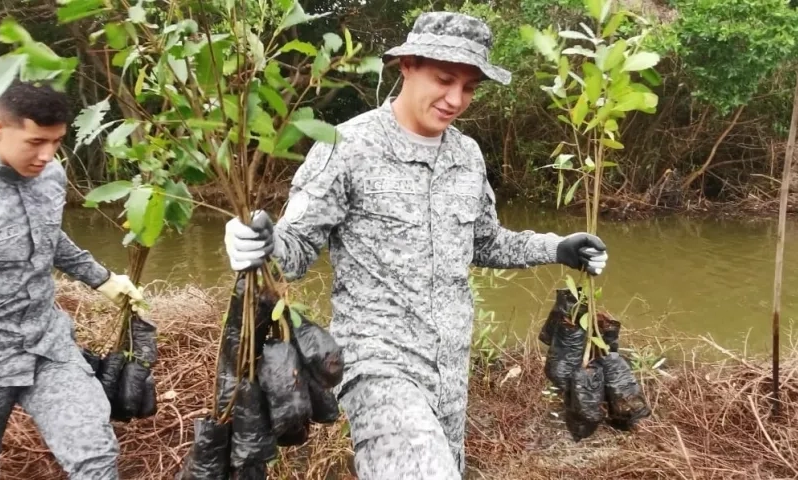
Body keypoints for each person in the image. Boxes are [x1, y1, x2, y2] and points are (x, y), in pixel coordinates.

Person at [223, 11, 608, 480]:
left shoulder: (467, 157)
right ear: (406, 65)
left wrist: (558, 246)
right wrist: (258, 243)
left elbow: (485, 242)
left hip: (450, 373)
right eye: (444, 79)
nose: (455, 99)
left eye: (469, 88)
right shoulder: (348, 146)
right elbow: (297, 247)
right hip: (376, 364)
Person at [0, 80, 144, 479]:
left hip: (49, 346)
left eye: (57, 142)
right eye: (35, 141)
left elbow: (49, 236)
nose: (47, 155)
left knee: (95, 456)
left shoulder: (51, 176)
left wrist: (104, 279)